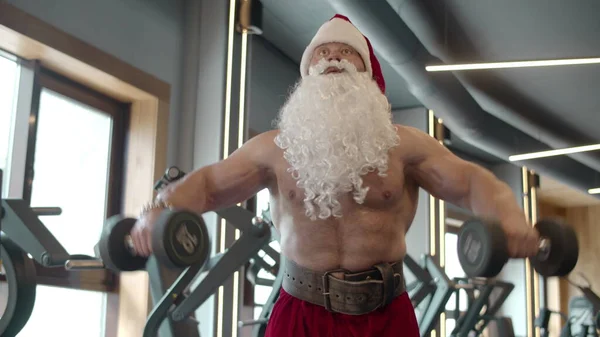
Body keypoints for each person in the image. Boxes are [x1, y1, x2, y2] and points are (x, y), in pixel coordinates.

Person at [131, 14, 539, 337]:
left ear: (367, 74)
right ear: (306, 76)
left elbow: (471, 182)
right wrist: (159, 211)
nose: (333, 59)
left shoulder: (406, 146)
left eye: (346, 53)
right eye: (322, 54)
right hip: (300, 315)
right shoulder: (275, 148)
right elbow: (205, 186)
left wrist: (509, 215)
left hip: (387, 315)